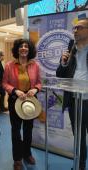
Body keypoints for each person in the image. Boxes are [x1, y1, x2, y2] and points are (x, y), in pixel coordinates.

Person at [2, 38, 42, 170]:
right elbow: (4, 83)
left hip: (31, 101)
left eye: (26, 46)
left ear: (29, 50)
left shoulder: (35, 65)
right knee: (16, 131)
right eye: (21, 46)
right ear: (17, 49)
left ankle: (27, 153)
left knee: (28, 130)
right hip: (15, 99)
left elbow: (39, 83)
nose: (23, 48)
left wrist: (35, 89)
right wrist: (14, 90)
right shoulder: (9, 65)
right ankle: (17, 158)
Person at [56, 18, 88, 170]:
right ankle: (80, 166)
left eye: (79, 27)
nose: (75, 30)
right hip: (75, 101)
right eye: (74, 28)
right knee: (79, 138)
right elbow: (60, 74)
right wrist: (63, 62)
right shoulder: (71, 48)